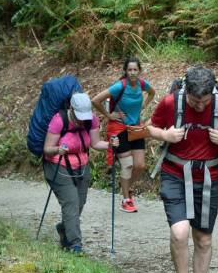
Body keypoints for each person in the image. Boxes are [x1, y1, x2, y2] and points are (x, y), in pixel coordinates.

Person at [147, 66, 218, 273]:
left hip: (209, 177)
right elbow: (150, 128)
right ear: (186, 92)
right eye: (194, 101)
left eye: (205, 101)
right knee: (180, 233)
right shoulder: (170, 103)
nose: (200, 106)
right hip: (175, 173)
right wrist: (165, 134)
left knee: (203, 238)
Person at [43, 92, 116, 253]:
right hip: (58, 166)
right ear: (71, 109)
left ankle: (65, 228)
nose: (82, 120)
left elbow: (95, 143)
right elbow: (47, 149)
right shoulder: (58, 121)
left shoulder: (91, 120)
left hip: (82, 167)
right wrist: (57, 149)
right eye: (79, 116)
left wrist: (110, 144)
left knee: (79, 204)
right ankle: (76, 245)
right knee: (71, 203)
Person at [92, 58, 155, 213]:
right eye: (129, 70)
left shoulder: (142, 84)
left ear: (139, 71)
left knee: (140, 166)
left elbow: (152, 93)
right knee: (127, 165)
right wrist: (109, 115)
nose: (132, 73)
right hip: (119, 129)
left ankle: (126, 187)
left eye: (135, 70)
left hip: (135, 128)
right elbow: (95, 100)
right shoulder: (120, 86)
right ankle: (126, 199)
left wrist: (143, 105)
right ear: (125, 71)